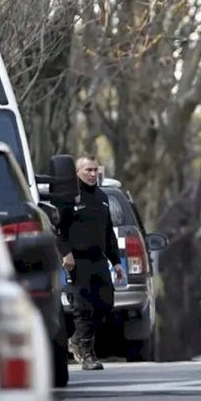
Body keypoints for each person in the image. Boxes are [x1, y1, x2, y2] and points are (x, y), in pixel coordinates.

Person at [56, 155, 125, 371]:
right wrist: (65, 253)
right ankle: (85, 353)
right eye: (88, 170)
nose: (93, 174)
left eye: (95, 170)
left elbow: (108, 233)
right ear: (77, 172)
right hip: (78, 261)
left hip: (99, 260)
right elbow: (58, 228)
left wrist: (116, 262)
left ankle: (77, 340)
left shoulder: (103, 198)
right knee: (82, 308)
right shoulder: (69, 197)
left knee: (105, 303)